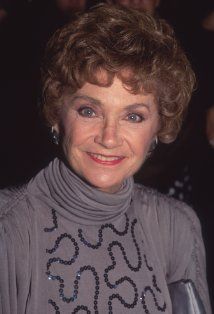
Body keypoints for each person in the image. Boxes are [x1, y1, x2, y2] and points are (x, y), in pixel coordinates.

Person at [0, 4, 211, 313]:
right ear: (57, 114)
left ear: (159, 128)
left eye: (134, 116)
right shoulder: (10, 229)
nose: (108, 137)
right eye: (89, 111)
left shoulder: (177, 227)